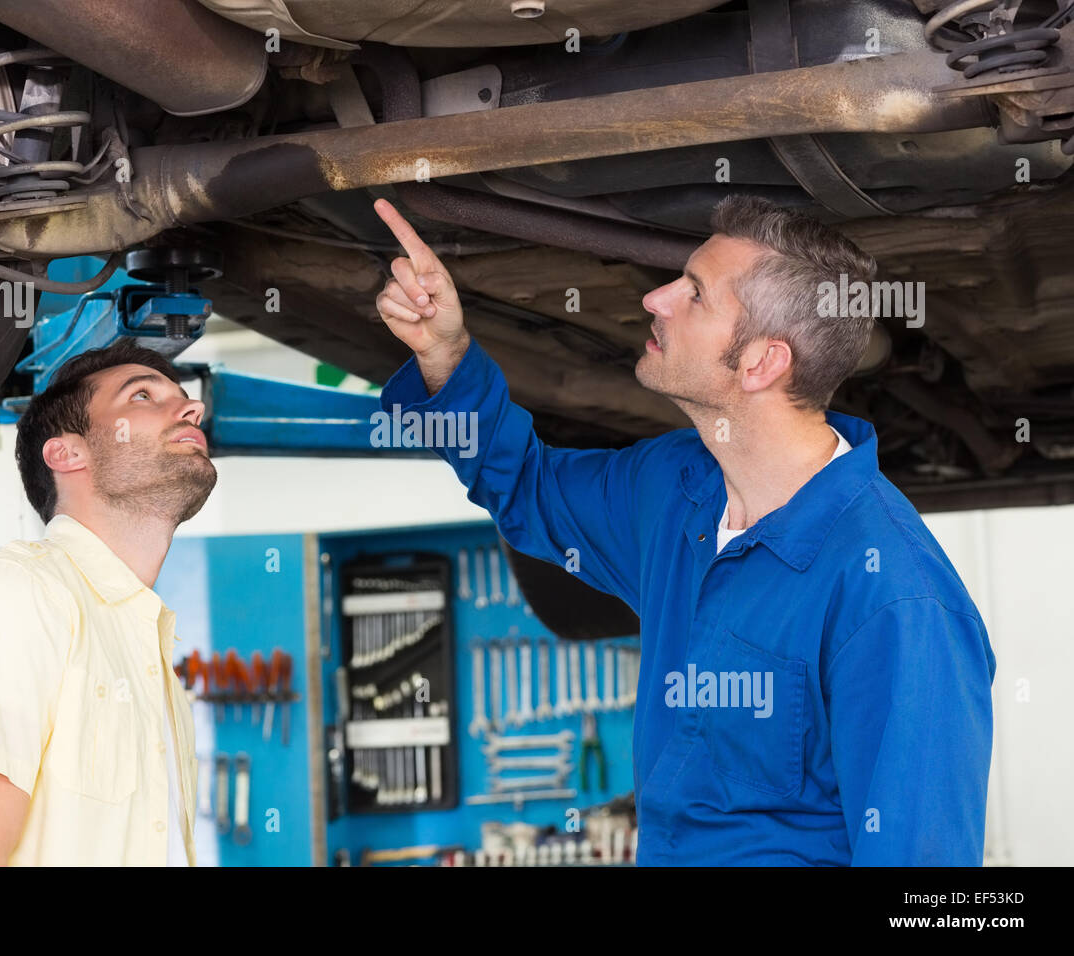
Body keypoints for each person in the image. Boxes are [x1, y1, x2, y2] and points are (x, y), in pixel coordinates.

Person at [371, 194, 997, 865]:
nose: (656, 300)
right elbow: (526, 484)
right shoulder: (676, 489)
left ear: (761, 363)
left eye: (693, 293)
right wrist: (446, 354)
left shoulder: (895, 599)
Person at [0, 339, 216, 865]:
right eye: (142, 396)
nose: (192, 407)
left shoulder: (149, 657)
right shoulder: (6, 598)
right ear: (67, 453)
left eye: (183, 397)